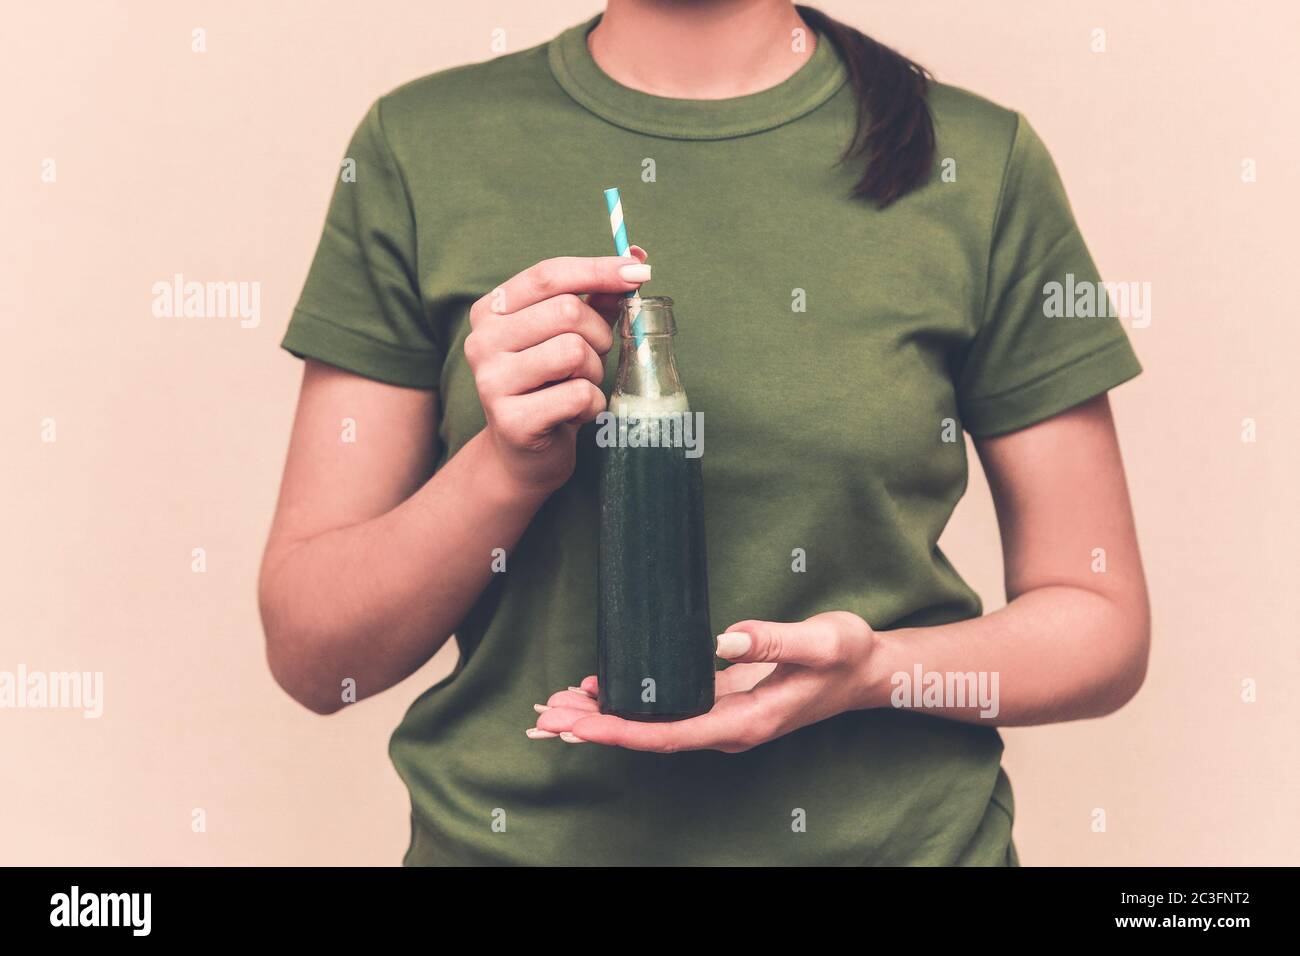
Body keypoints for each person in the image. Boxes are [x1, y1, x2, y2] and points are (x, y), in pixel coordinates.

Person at [259, 0, 1149, 865]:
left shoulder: (977, 163)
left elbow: (1099, 624)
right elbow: (315, 654)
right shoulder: (422, 147)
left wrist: (878, 671)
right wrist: (506, 468)